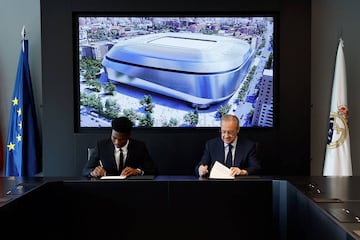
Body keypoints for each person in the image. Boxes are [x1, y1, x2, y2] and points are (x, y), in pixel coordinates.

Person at [82, 116, 157, 178]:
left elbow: (153, 171)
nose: (117, 142)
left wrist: (138, 171)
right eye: (114, 138)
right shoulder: (101, 146)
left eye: (122, 139)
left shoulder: (139, 147)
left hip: (131, 187)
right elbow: (86, 170)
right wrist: (93, 172)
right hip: (106, 187)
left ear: (128, 135)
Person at [195, 114, 260, 177]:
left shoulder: (249, 146)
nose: (226, 136)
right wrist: (200, 170)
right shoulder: (211, 145)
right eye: (223, 131)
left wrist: (242, 172)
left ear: (237, 130)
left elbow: (256, 168)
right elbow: (200, 166)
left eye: (230, 132)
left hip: (239, 185)